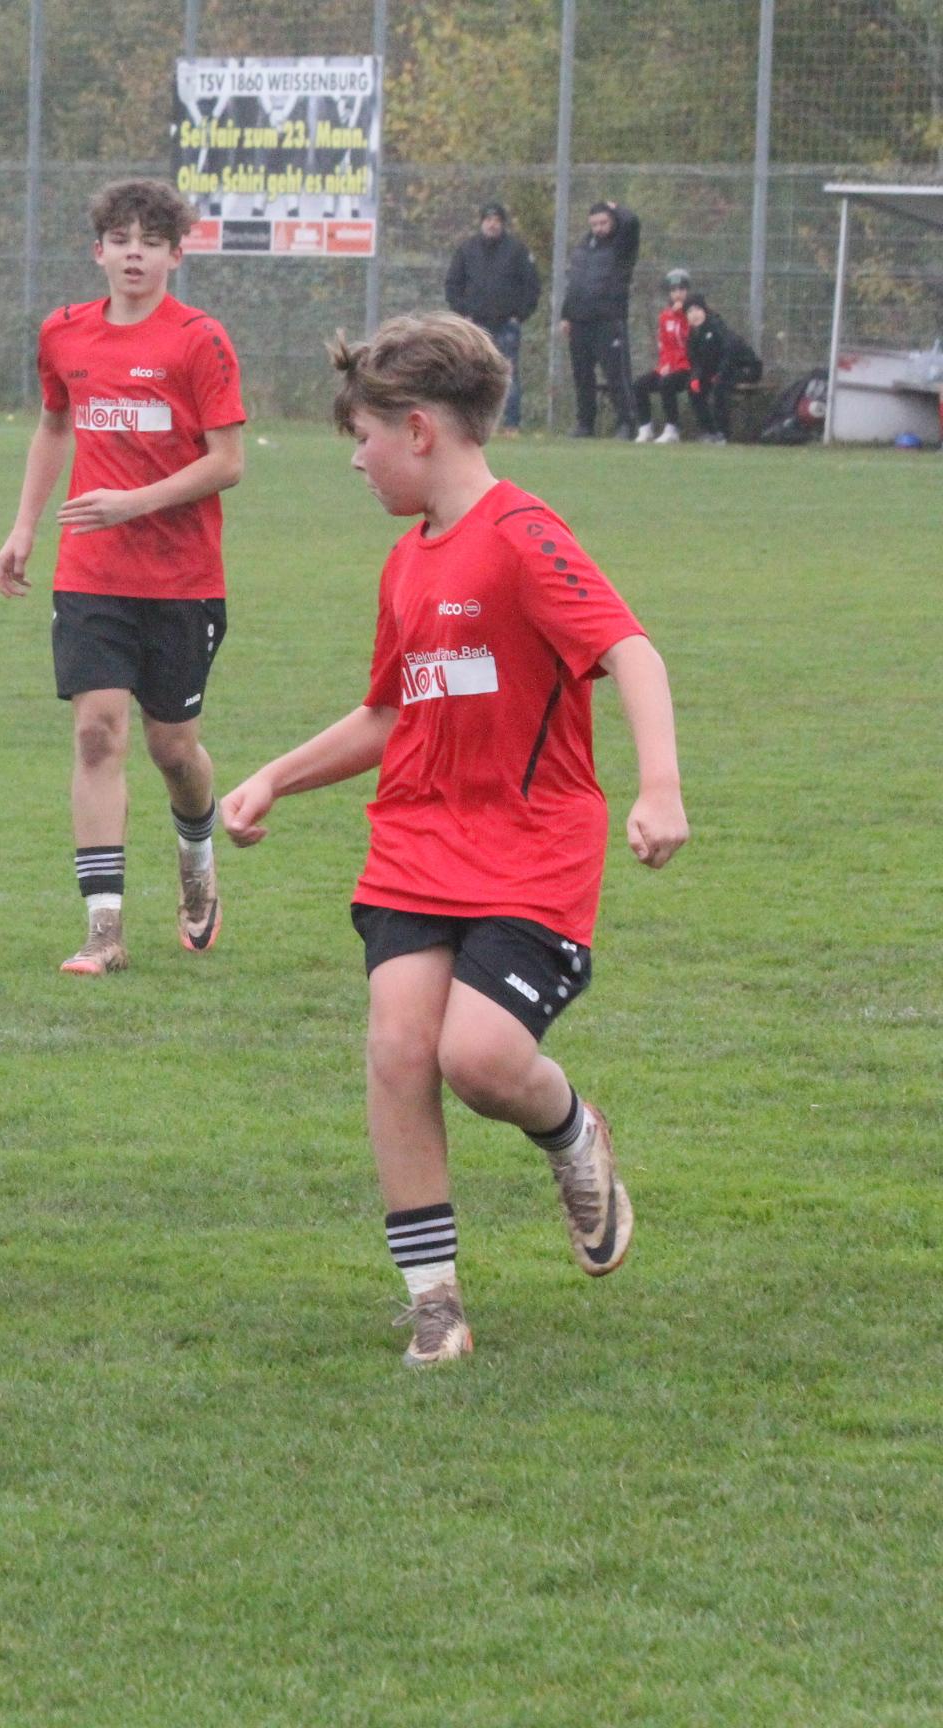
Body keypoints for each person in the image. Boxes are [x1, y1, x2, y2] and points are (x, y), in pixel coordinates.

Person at [217, 313, 688, 1367]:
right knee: (397, 1048)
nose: (355, 457)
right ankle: (434, 1301)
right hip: (418, 845)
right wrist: (275, 779)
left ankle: (571, 1132)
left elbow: (631, 651)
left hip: (530, 849)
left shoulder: (523, 537)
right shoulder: (406, 564)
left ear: (419, 429)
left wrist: (660, 787)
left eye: (364, 436)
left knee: (478, 1060)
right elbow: (391, 715)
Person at [0, 177, 246, 977]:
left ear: (177, 253)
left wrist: (132, 502)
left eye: (151, 239)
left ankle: (197, 859)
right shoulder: (64, 334)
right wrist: (26, 526)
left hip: (183, 582)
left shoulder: (199, 341)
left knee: (174, 751)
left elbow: (228, 462)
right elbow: (53, 425)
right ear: (98, 250)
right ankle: (103, 930)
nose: (134, 252)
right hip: (91, 574)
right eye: (121, 238)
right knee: (97, 732)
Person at [442, 201, 540, 431]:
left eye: (497, 220)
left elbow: (532, 286)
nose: (492, 224)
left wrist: (519, 315)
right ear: (481, 223)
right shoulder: (467, 249)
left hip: (506, 324)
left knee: (508, 375)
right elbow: (452, 284)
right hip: (474, 325)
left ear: (503, 224)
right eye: (488, 220)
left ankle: (511, 425)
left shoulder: (517, 250)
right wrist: (463, 313)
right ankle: (472, 424)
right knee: (470, 375)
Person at [559, 199, 641, 437]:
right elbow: (575, 284)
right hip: (580, 321)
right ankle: (585, 424)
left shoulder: (622, 245)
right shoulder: (585, 246)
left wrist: (616, 208)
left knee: (617, 374)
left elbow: (632, 222)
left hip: (608, 319)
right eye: (594, 223)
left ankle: (627, 423)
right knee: (582, 375)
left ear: (613, 220)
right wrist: (567, 315)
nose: (599, 228)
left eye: (604, 222)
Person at [684, 293, 763, 444]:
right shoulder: (693, 336)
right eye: (689, 311)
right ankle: (709, 431)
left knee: (720, 386)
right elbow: (695, 361)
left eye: (697, 309)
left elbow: (729, 354)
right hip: (719, 371)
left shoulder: (716, 327)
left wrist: (719, 374)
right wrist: (695, 377)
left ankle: (722, 433)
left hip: (745, 368)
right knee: (693, 388)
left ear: (704, 310)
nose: (694, 315)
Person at [632, 268, 696, 443]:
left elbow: (691, 345)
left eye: (681, 290)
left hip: (687, 368)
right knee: (639, 385)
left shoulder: (694, 315)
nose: (678, 294)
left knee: (666, 383)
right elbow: (666, 347)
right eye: (674, 290)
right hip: (669, 366)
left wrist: (682, 314)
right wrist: (665, 365)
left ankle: (672, 429)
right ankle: (645, 428)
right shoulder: (665, 317)